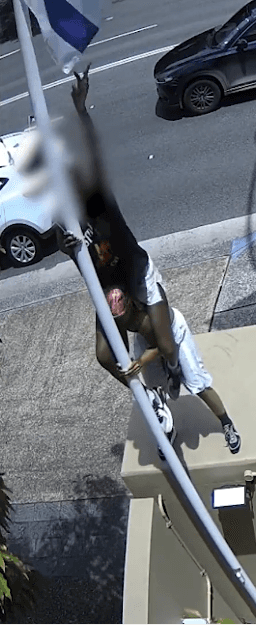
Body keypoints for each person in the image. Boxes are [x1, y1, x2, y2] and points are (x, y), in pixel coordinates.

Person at [15, 66, 184, 400]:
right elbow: (78, 257)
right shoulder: (63, 214)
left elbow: (95, 152)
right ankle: (149, 397)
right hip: (110, 285)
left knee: (164, 345)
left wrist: (81, 110)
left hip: (134, 270)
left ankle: (173, 366)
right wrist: (66, 249)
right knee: (106, 355)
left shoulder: (98, 197)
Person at [101, 286, 242, 454]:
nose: (121, 321)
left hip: (172, 333)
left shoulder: (148, 315)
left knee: (197, 382)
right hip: (147, 340)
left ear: (131, 304)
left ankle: (226, 423)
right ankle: (167, 428)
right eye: (117, 318)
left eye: (123, 317)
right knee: (154, 390)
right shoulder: (118, 315)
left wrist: (142, 362)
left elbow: (164, 347)